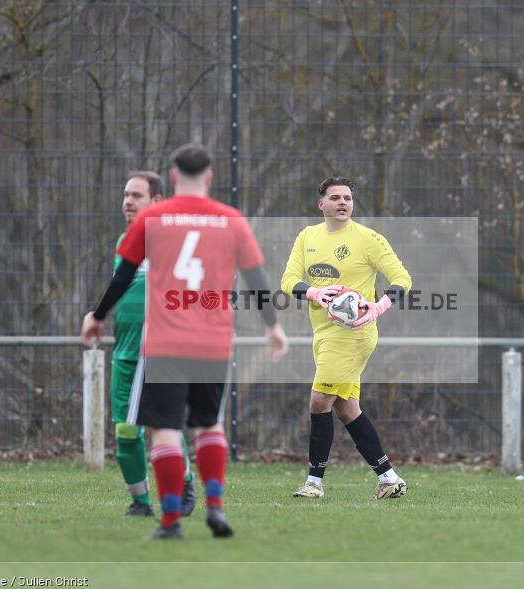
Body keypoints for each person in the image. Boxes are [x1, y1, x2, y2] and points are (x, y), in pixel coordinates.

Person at [82, 144, 288, 540]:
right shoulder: (231, 220)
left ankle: (171, 521)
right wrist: (272, 326)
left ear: (173, 178)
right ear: (209, 178)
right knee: (209, 425)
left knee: (162, 430)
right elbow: (257, 279)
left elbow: (123, 276)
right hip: (212, 342)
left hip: (164, 342)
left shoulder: (154, 217)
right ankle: (214, 505)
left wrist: (97, 316)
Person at [281, 176, 411, 500]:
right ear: (320, 204)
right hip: (323, 334)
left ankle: (314, 483)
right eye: (335, 197)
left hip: (354, 334)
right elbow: (288, 280)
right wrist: (315, 292)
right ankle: (389, 477)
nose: (343, 202)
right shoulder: (307, 237)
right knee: (346, 408)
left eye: (348, 198)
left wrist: (377, 307)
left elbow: (402, 278)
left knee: (319, 400)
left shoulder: (368, 239)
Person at [109, 171, 196, 518]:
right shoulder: (123, 243)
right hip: (125, 352)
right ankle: (141, 502)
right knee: (125, 433)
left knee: (164, 426)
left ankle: (184, 483)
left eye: (136, 195)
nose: (128, 201)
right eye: (125, 194)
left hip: (162, 351)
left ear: (157, 202)